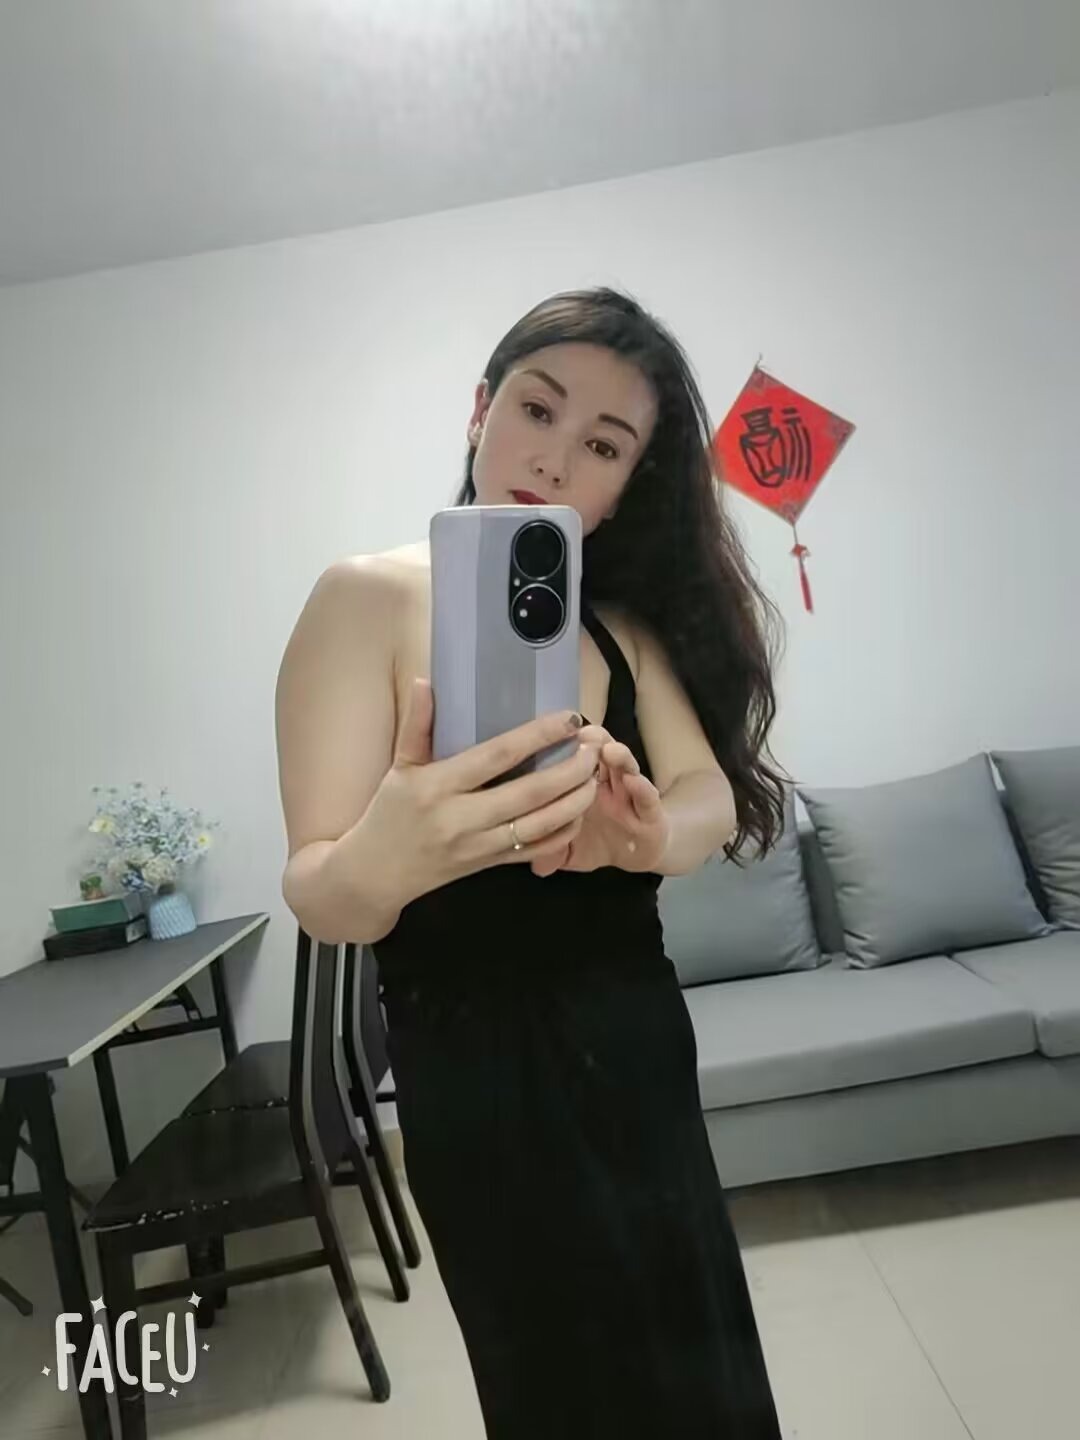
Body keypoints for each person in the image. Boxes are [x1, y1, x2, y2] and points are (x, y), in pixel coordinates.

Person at [276, 288, 787, 1437]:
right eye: (538, 410)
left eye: (603, 445)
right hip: (476, 1070)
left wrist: (647, 836)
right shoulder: (362, 599)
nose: (555, 460)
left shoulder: (623, 625)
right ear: (480, 410)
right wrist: (389, 854)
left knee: (701, 1358)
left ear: (626, 486)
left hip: (635, 1036)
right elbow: (321, 893)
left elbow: (708, 796)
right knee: (557, 1383)